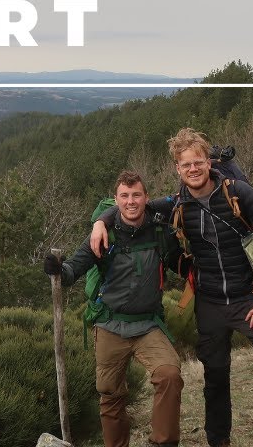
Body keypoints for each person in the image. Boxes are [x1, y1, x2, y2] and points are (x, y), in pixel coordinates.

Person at [90, 129, 253, 447]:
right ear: (177, 169)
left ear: (209, 162)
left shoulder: (239, 193)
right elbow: (133, 206)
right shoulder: (177, 204)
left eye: (198, 162)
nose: (193, 169)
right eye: (186, 165)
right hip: (209, 303)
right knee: (215, 376)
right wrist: (101, 222)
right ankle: (218, 441)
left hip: (249, 298)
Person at [43, 170, 186, 447]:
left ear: (146, 197)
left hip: (148, 324)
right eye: (125, 196)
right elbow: (74, 269)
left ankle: (163, 442)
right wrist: (59, 269)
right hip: (110, 324)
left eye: (136, 195)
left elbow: (178, 262)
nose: (131, 201)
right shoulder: (103, 234)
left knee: (169, 375)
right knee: (110, 394)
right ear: (116, 199)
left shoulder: (160, 231)